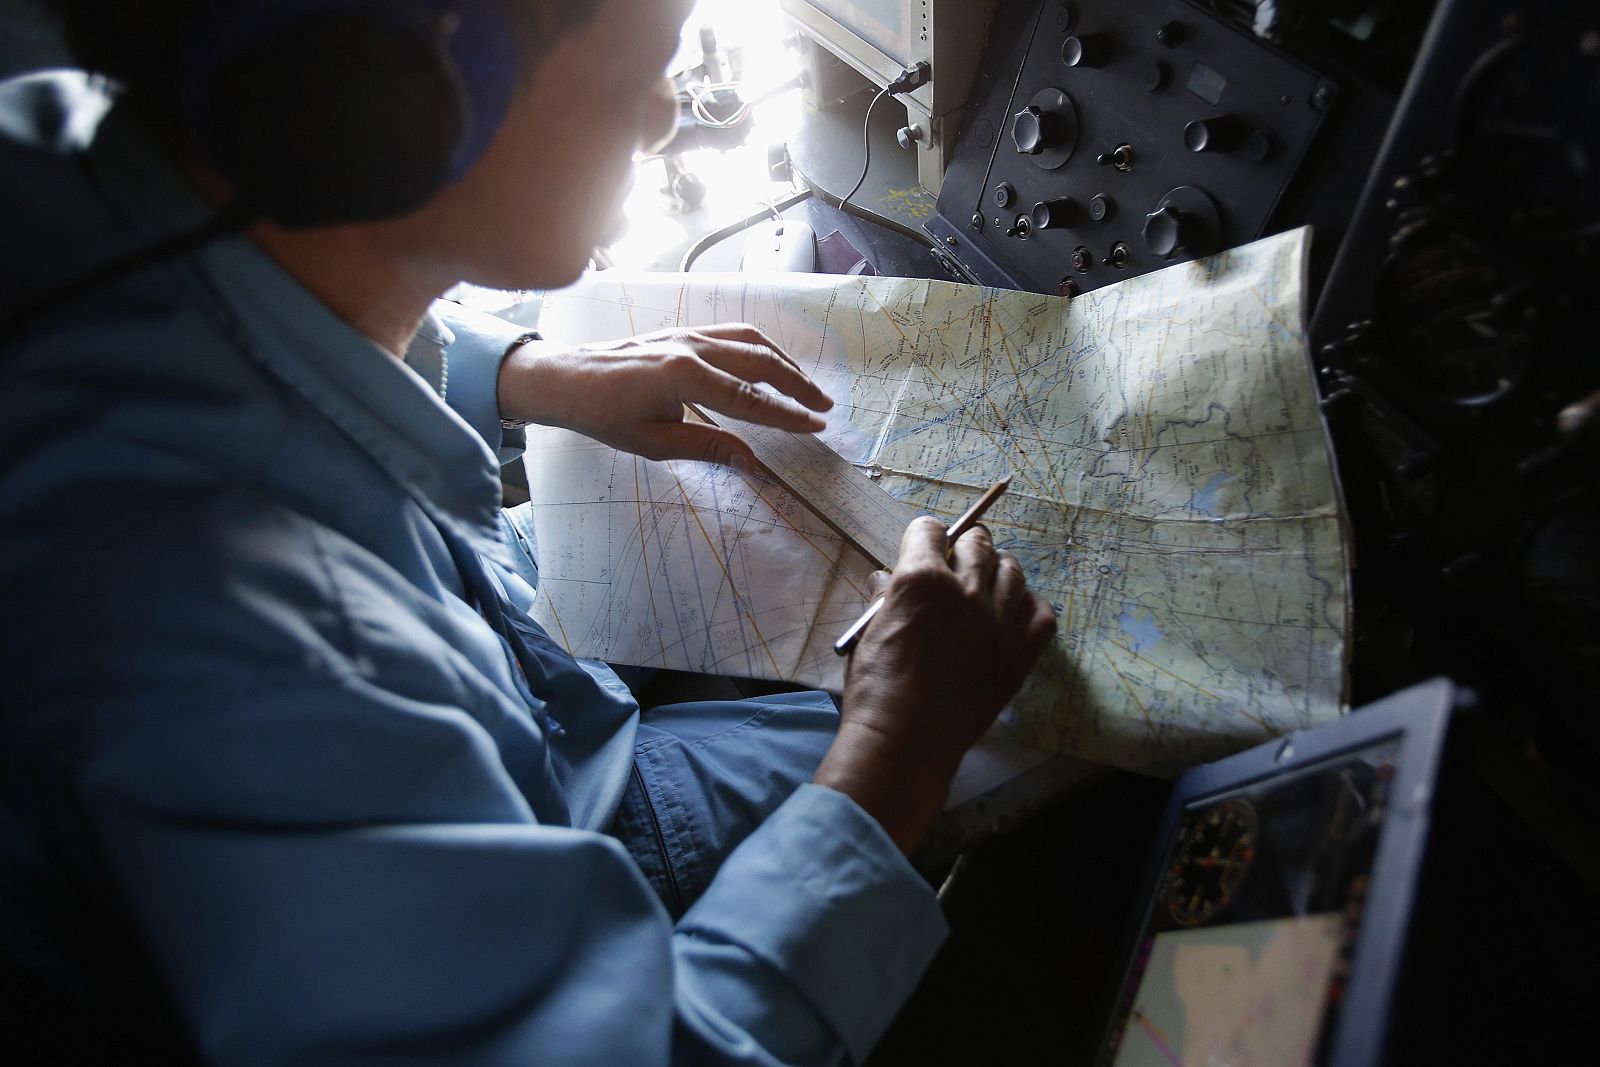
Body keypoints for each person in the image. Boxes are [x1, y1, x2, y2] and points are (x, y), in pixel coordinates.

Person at [0, 1, 1058, 1062]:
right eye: (642, 74)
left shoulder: (66, 148)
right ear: (403, 109)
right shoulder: (259, 659)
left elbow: (282, 272)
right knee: (1011, 719)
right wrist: (900, 746)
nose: (662, 117)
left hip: (500, 663)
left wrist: (516, 371)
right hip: (529, 838)